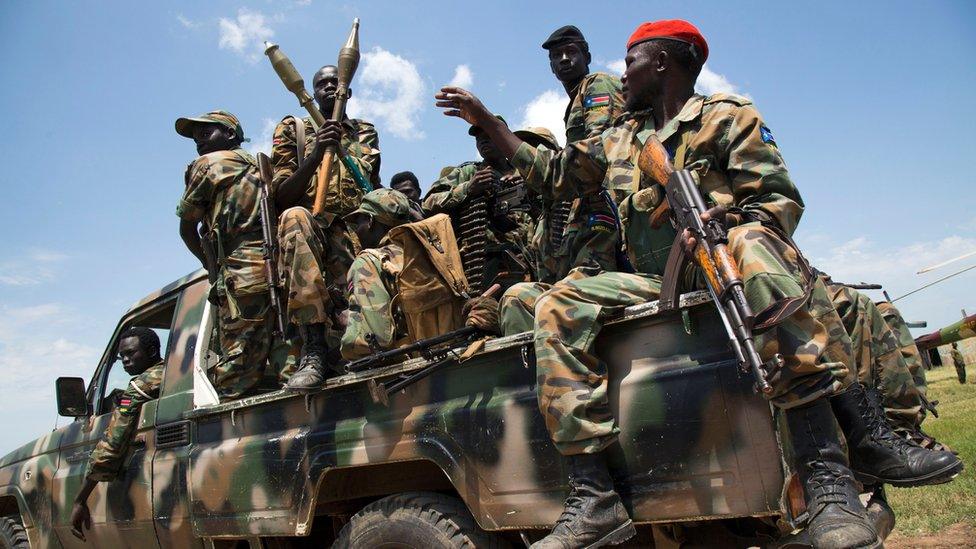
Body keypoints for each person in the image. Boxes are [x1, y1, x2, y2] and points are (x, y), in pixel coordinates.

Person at [436, 19, 959, 549]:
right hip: (655, 279)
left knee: (754, 243)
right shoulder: (620, 140)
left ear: (662, 61)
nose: (623, 71)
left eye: (632, 59)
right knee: (557, 303)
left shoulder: (728, 117)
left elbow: (776, 204)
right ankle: (593, 497)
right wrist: (487, 121)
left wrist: (721, 227)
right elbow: (550, 171)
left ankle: (827, 482)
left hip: (736, 264)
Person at [271, 65, 382, 391]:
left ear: (347, 89)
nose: (331, 87)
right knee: (294, 216)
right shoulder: (296, 129)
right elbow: (281, 195)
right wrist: (317, 151)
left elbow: (371, 187)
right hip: (311, 235)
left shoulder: (365, 132)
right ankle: (314, 350)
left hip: (355, 238)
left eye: (337, 82)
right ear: (313, 92)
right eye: (322, 84)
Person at [176, 110, 290, 399]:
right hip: (280, 265)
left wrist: (211, 264)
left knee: (236, 372)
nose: (198, 141)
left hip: (240, 271)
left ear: (230, 134)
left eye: (206, 132)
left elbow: (187, 226)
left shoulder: (209, 164)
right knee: (286, 350)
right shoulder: (264, 165)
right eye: (195, 136)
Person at [340, 189, 498, 359]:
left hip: (413, 366)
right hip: (457, 351)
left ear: (370, 220)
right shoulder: (437, 253)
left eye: (359, 222)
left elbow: (376, 339)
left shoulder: (368, 262)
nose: (357, 230)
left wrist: (349, 325)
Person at [532, 25, 626, 284]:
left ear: (587, 57)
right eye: (556, 55)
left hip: (607, 199)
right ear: (551, 67)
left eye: (571, 51)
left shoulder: (597, 84)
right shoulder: (575, 99)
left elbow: (598, 149)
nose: (564, 59)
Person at [70, 328, 165, 541]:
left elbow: (112, 445)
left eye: (131, 353)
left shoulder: (142, 385)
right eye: (122, 356)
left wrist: (80, 499)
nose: (125, 360)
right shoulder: (170, 372)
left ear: (151, 351)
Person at [422, 116, 533, 293]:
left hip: (529, 262)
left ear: (504, 136)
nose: (482, 139)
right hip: (480, 264)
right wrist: (467, 188)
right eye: (478, 137)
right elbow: (428, 204)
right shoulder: (468, 173)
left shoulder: (527, 172)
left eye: (489, 133)